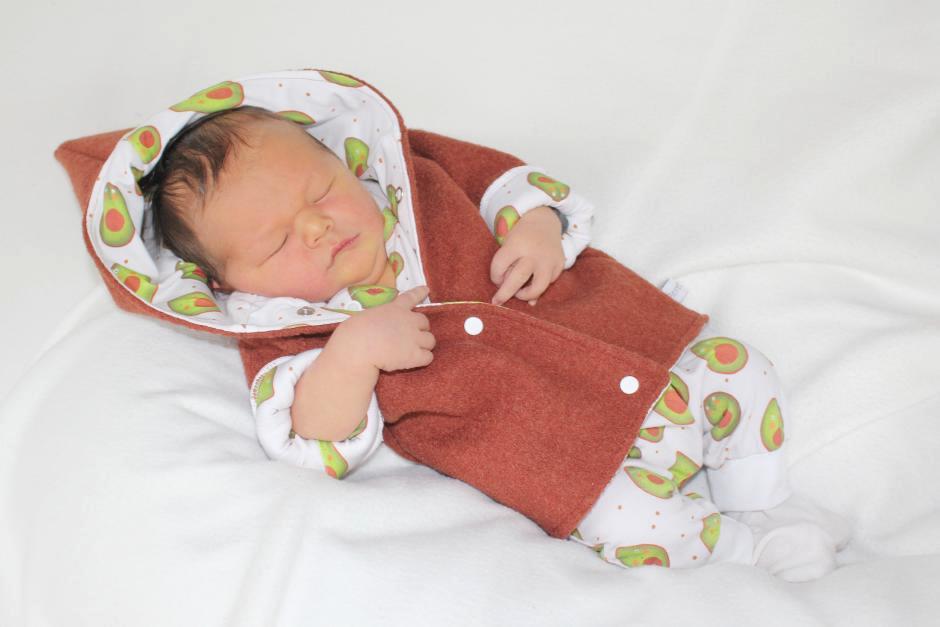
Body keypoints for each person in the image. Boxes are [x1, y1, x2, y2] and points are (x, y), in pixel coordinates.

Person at [69, 69, 850, 580]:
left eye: (321, 190)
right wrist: (352, 356)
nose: (316, 226)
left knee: (739, 367)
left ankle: (761, 497)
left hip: (634, 346)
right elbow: (309, 437)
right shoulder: (288, 333)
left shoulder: (416, 182)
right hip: (568, 461)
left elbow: (505, 181)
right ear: (226, 285)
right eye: (277, 242)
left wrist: (537, 228)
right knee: (632, 530)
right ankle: (744, 551)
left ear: (346, 160)